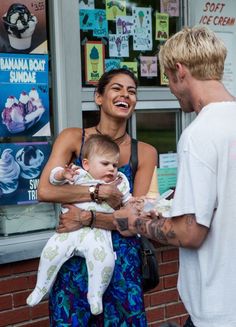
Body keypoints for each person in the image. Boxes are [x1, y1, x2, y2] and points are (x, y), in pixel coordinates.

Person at [114, 26, 236, 327]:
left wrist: (137, 222)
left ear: (180, 71)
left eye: (168, 78)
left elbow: (189, 232)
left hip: (218, 309)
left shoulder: (199, 135)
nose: (169, 88)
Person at [37, 68, 157, 326]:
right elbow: (45, 190)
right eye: (117, 88)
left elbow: (134, 219)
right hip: (74, 259)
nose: (126, 94)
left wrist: (85, 217)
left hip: (122, 263)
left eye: (132, 91)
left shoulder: (144, 153)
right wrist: (98, 192)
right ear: (98, 97)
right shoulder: (73, 138)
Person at [27, 134, 132, 315]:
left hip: (97, 233)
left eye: (114, 165)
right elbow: (52, 180)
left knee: (105, 261)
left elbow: (127, 201)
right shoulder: (78, 175)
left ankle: (95, 295)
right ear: (87, 164)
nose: (111, 169)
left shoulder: (119, 183)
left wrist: (135, 202)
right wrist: (62, 174)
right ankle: (41, 287)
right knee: (50, 253)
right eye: (105, 164)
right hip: (68, 233)